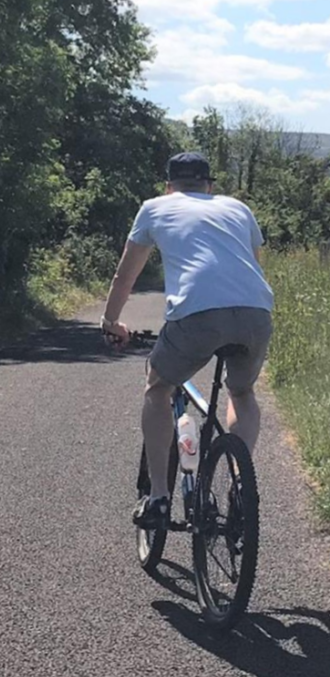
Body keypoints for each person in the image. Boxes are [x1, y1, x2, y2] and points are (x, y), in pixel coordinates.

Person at [100, 152, 274, 530]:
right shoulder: (238, 209)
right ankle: (241, 485)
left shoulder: (155, 207)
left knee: (157, 387)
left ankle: (159, 497)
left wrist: (111, 321)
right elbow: (252, 265)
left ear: (168, 186)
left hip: (196, 315)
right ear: (209, 186)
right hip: (256, 310)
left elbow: (124, 277)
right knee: (241, 394)